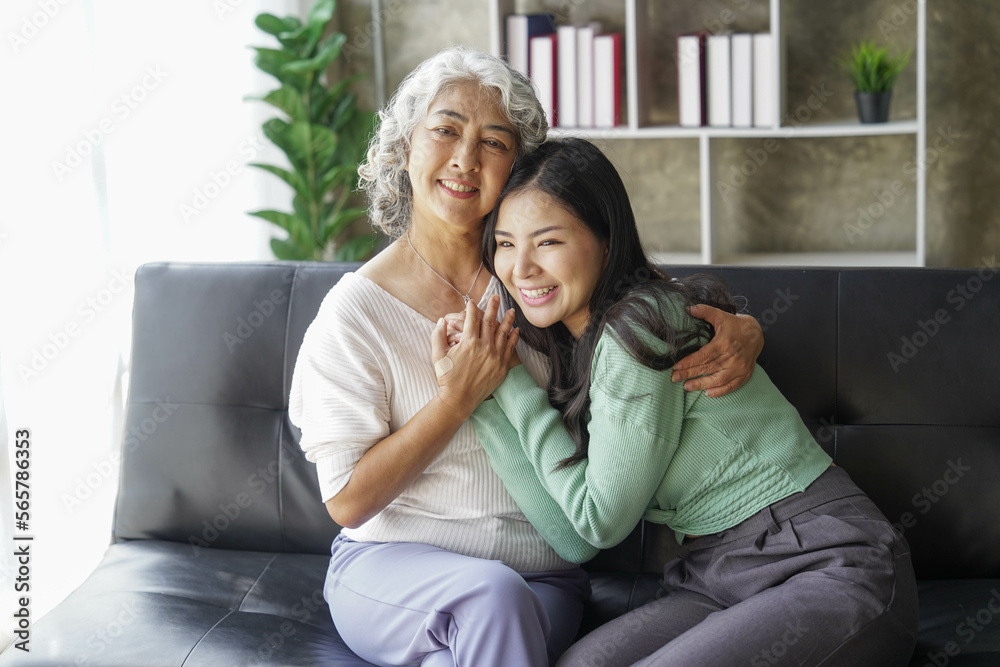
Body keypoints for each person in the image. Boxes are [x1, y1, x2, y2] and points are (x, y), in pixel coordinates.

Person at [289, 46, 764, 667]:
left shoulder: (539, 281)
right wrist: (457, 400)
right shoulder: (355, 312)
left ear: (519, 169)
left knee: (493, 612)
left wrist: (745, 329)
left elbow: (646, 303)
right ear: (405, 147)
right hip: (391, 570)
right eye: (445, 130)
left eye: (494, 142)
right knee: (489, 598)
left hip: (540, 578)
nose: (464, 158)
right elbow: (348, 501)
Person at [434, 138, 919, 666]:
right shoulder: (583, 345)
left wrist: (509, 382)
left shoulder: (638, 327)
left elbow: (598, 523)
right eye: (505, 244)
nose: (521, 267)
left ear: (605, 239)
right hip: (720, 570)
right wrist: (478, 397)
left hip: (830, 563)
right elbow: (575, 543)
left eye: (547, 242)